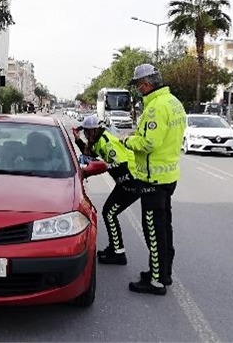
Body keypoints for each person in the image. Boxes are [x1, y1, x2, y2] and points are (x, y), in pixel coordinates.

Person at [121, 64, 187, 295]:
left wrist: (128, 142)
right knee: (163, 228)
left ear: (147, 84)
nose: (138, 90)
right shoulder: (173, 102)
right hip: (167, 176)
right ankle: (162, 272)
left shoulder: (156, 108)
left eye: (139, 86)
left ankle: (157, 281)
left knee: (154, 231)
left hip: (153, 180)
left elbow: (149, 143)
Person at [74, 114, 140, 265]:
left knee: (109, 214)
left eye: (89, 132)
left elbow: (121, 165)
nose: (87, 134)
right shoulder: (97, 141)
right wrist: (77, 139)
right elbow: (88, 153)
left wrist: (100, 167)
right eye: (85, 132)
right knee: (108, 213)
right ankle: (115, 249)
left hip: (132, 182)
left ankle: (118, 254)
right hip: (124, 183)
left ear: (97, 130)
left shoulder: (108, 142)